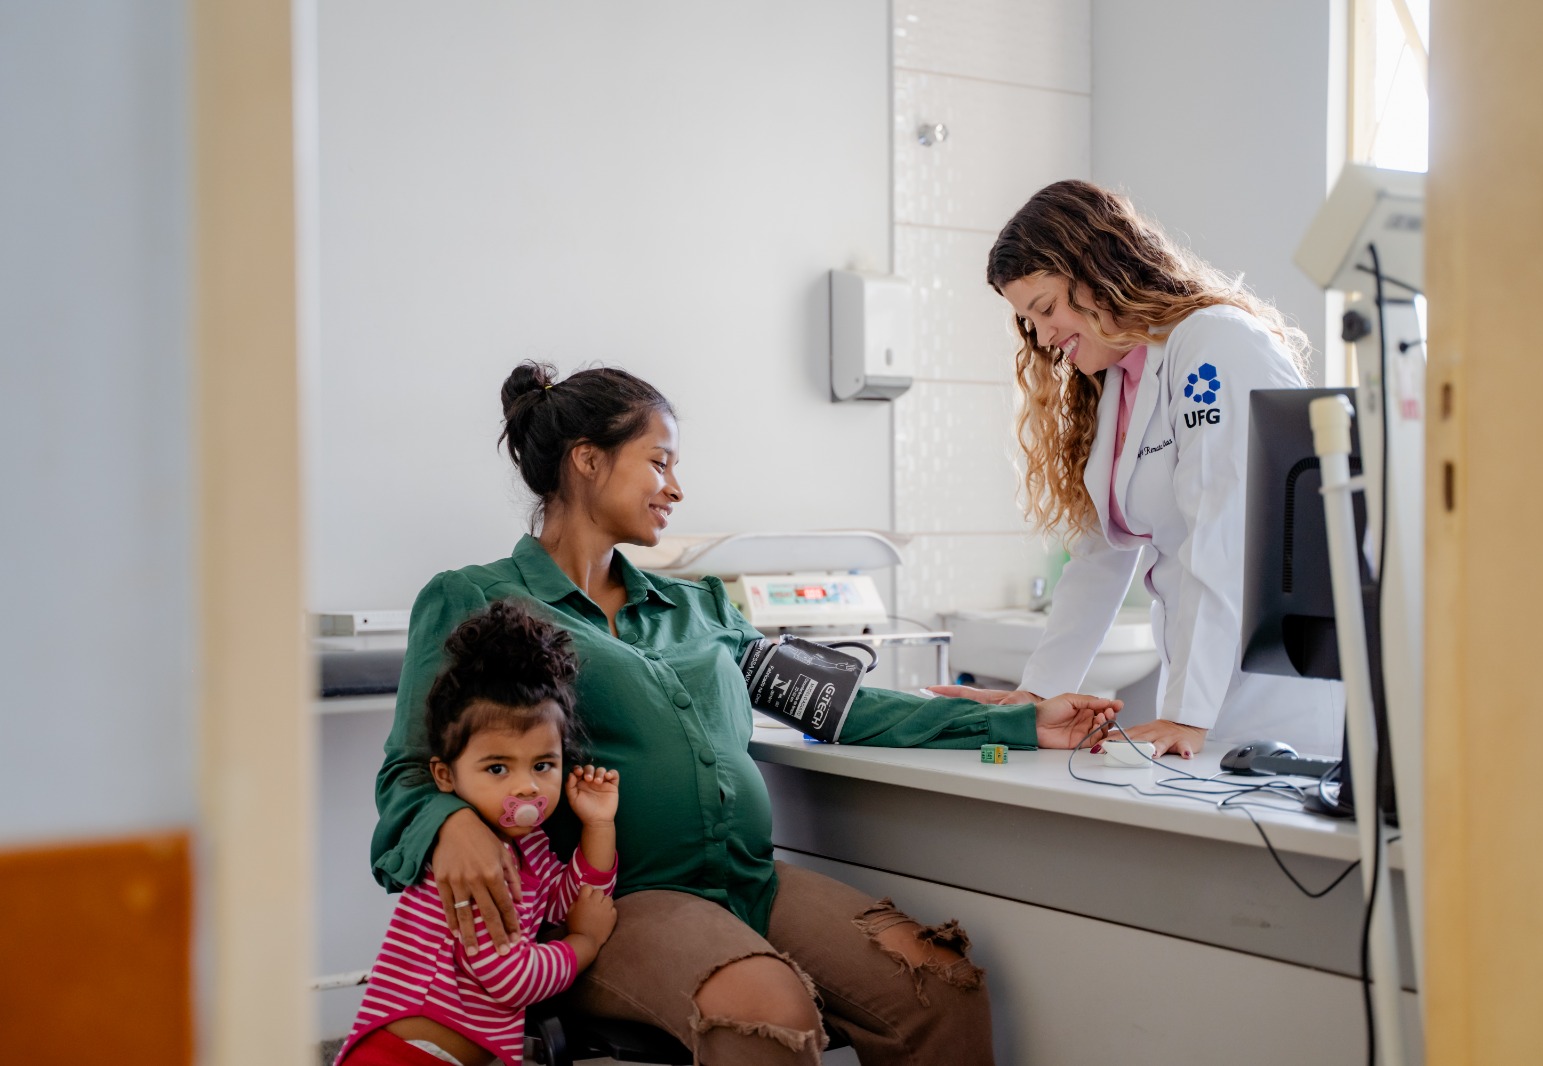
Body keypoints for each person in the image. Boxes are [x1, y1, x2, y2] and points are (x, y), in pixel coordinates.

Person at [371, 362, 1122, 1065]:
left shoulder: (699, 606)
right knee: (767, 1009)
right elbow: (410, 772)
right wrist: (452, 824)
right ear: (587, 460)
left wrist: (1020, 722)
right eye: (659, 462)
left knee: (939, 986)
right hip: (612, 903)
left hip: (747, 881)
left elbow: (842, 706)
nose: (676, 488)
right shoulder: (477, 598)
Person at [933, 180, 1342, 759]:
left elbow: (1223, 532)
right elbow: (1099, 558)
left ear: (1098, 270)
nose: (1044, 337)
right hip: (1206, 692)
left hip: (1273, 693)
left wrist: (1186, 714)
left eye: (1046, 309)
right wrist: (1036, 694)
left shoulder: (1213, 343)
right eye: (1029, 321)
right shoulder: (1121, 383)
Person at [339, 600, 620, 1066]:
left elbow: (567, 902)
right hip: (405, 1055)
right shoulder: (466, 862)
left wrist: (598, 824)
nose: (527, 787)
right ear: (445, 775)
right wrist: (583, 944)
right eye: (497, 768)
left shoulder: (528, 845)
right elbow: (511, 978)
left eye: (543, 765)